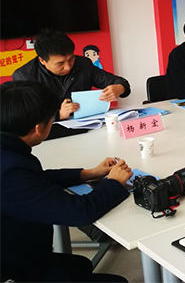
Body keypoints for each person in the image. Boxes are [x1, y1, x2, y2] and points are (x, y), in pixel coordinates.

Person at [0, 80, 132, 282]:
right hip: (15, 267)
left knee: (82, 265)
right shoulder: (10, 169)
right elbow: (79, 212)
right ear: (39, 128)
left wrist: (87, 173)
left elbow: (34, 181)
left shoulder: (8, 151)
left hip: (18, 248)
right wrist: (113, 183)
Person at [13, 29, 131, 121]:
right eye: (60, 63)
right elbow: (25, 115)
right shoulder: (24, 76)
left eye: (71, 59)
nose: (68, 67)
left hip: (85, 125)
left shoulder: (83, 64)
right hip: (48, 134)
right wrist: (58, 115)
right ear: (42, 60)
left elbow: (120, 82)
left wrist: (119, 88)